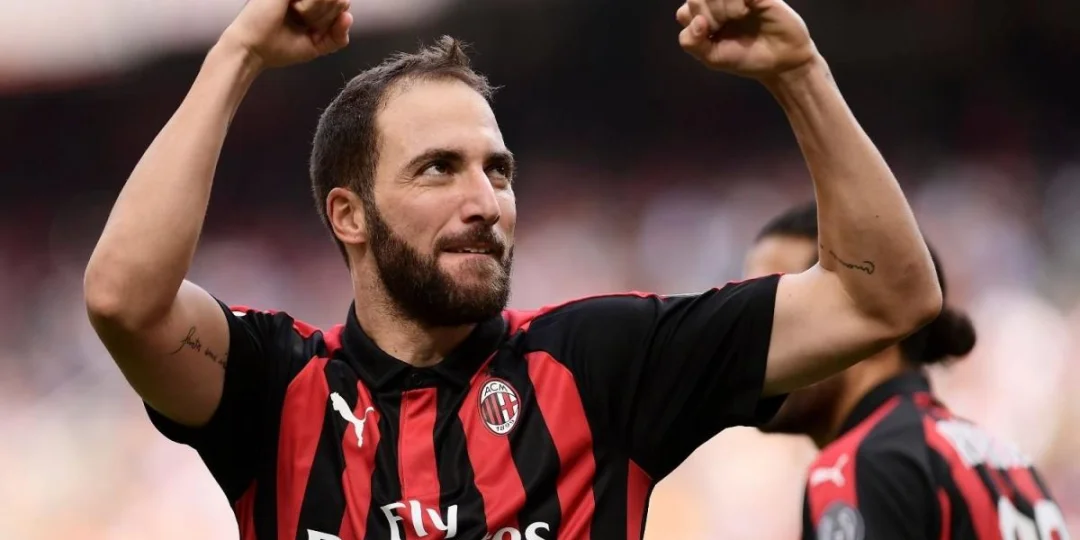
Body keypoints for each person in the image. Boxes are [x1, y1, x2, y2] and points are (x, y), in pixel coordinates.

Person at [82, 0, 944, 537]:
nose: (484, 201)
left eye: (498, 171)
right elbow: (124, 299)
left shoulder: (603, 363)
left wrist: (799, 74)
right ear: (348, 215)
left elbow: (884, 299)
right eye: (438, 169)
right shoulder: (275, 388)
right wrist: (237, 53)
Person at [747, 202, 1072, 540]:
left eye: (778, 312)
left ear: (869, 320)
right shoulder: (1013, 468)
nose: (751, 341)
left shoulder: (857, 467)